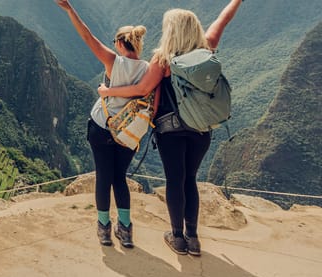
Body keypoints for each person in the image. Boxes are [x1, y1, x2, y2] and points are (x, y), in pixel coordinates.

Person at [98, 0, 243, 256]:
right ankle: (194, 239)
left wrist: (109, 91)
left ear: (171, 31)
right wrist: (237, 1)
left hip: (171, 130)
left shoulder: (163, 60)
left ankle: (177, 238)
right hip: (201, 130)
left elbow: (142, 90)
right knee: (190, 180)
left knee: (175, 180)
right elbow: (224, 19)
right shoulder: (206, 48)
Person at [56, 0, 150, 248]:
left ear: (120, 43)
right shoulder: (149, 70)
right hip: (129, 133)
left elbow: (87, 37)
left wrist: (69, 9)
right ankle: (126, 231)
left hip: (101, 127)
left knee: (103, 178)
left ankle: (104, 230)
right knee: (120, 178)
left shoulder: (113, 60)